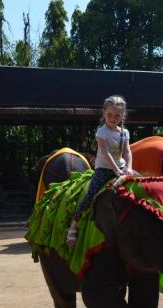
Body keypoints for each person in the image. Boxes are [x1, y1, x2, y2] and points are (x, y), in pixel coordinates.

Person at [66, 95, 133, 245]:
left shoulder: (124, 132)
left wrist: (128, 167)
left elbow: (127, 152)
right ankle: (73, 226)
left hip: (121, 168)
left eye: (117, 115)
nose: (112, 118)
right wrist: (116, 170)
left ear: (123, 115)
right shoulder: (102, 132)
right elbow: (106, 153)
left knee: (142, 184)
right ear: (104, 113)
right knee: (90, 195)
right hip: (104, 169)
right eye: (109, 114)